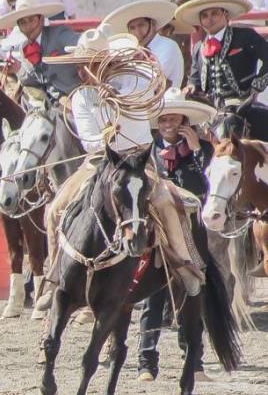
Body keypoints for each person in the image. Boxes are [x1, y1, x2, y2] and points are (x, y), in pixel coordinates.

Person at [41, 26, 205, 298]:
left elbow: (145, 114)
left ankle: (185, 263)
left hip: (138, 162)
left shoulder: (135, 83)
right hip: (99, 164)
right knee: (56, 208)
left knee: (165, 202)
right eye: (81, 66)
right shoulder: (81, 97)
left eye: (89, 65)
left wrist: (116, 100)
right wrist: (107, 135)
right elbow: (89, 141)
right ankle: (55, 274)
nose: (83, 72)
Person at [137, 88, 216, 382]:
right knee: (152, 295)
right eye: (164, 119)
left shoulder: (203, 150)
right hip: (157, 230)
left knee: (192, 290)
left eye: (174, 118)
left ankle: (194, 361)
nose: (169, 124)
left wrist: (196, 151)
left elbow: (204, 187)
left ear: (184, 120)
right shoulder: (147, 151)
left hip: (190, 230)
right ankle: (146, 362)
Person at [179, 0, 268, 141]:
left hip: (242, 106)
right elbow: (195, 80)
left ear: (225, 14)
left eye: (215, 13)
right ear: (200, 20)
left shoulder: (245, 36)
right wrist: (191, 87)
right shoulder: (199, 47)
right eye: (205, 15)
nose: (210, 19)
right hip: (210, 111)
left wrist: (256, 86)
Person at [0, 0, 79, 100]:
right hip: (50, 106)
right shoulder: (23, 48)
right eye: (23, 23)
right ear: (18, 26)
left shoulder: (59, 34)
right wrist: (18, 69)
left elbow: (81, 42)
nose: (28, 26)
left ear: (41, 19)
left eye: (31, 20)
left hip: (74, 99)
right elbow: (36, 81)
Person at [102, 0, 185, 88]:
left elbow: (151, 83)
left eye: (141, 25)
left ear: (153, 24)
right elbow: (118, 83)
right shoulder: (129, 53)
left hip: (167, 101)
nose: (137, 32)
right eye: (132, 28)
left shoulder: (169, 47)